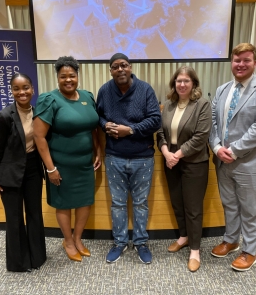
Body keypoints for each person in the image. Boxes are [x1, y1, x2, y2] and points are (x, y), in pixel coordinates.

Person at [209, 43, 256, 271]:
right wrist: (217, 147)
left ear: (254, 63)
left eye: (246, 60)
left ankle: (250, 251)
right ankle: (231, 240)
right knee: (230, 204)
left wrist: (235, 150)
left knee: (251, 209)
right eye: (237, 60)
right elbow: (214, 122)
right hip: (223, 159)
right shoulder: (222, 90)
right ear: (232, 62)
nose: (240, 64)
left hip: (253, 162)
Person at [33, 56, 101, 262]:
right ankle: (68, 241)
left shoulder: (87, 97)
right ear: (57, 78)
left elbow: (94, 127)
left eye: (72, 75)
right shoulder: (50, 99)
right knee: (64, 204)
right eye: (63, 76)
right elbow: (39, 136)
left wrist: (99, 150)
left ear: (77, 76)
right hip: (61, 164)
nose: (68, 80)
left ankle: (78, 239)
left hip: (85, 163)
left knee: (84, 202)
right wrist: (51, 169)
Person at [96, 53, 161, 264]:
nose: (120, 69)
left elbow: (155, 120)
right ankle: (120, 242)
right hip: (114, 157)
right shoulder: (105, 90)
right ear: (111, 70)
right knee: (117, 203)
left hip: (143, 158)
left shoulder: (145, 90)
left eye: (124, 65)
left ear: (130, 67)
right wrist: (105, 124)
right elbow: (98, 116)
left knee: (141, 203)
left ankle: (141, 242)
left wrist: (130, 130)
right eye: (115, 67)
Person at [0, 73, 47, 272]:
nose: (21, 92)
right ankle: (19, 263)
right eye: (16, 88)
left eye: (25, 88)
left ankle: (37, 258)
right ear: (12, 91)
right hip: (10, 172)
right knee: (14, 218)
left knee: (34, 214)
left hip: (33, 170)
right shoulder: (4, 116)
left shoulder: (39, 113)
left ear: (32, 89)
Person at [157, 66, 211, 272]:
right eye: (178, 80)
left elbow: (200, 137)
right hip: (170, 161)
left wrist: (176, 155)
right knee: (177, 203)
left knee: (193, 208)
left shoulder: (202, 105)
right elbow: (160, 132)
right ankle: (183, 237)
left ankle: (195, 250)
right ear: (174, 83)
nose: (182, 84)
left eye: (186, 81)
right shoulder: (169, 105)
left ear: (194, 83)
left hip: (194, 163)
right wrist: (165, 153)